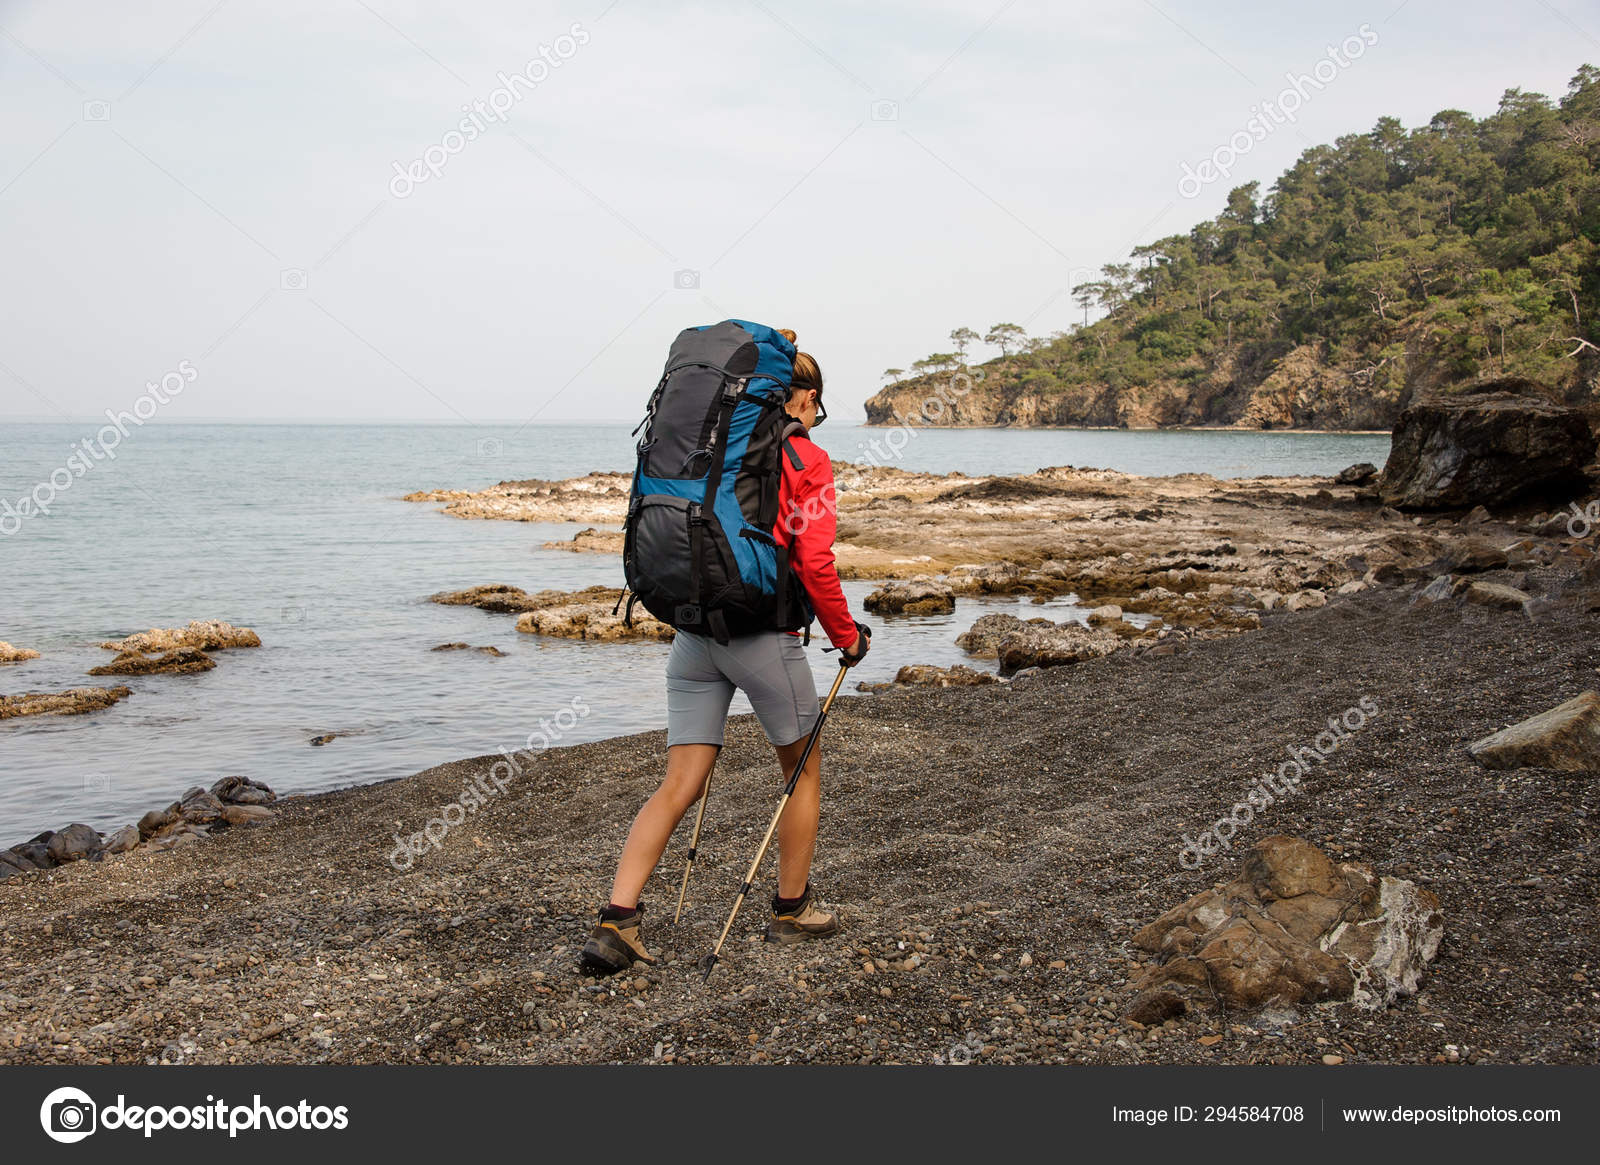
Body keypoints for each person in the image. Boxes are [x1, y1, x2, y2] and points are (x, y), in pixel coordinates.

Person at [581, 329, 870, 975]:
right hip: (762, 638)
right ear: (807, 400)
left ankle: (616, 919)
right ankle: (790, 909)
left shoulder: (717, 450)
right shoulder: (807, 461)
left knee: (679, 780)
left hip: (694, 635)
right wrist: (847, 635)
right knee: (801, 772)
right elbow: (814, 560)